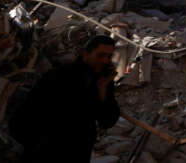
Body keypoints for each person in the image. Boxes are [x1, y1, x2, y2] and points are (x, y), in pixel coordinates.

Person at [10, 34, 120, 162]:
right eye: (100, 55)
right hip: (45, 151)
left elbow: (108, 121)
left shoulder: (102, 81)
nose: (106, 61)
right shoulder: (59, 76)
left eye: (109, 56)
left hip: (77, 152)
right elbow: (26, 114)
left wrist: (102, 89)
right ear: (86, 54)